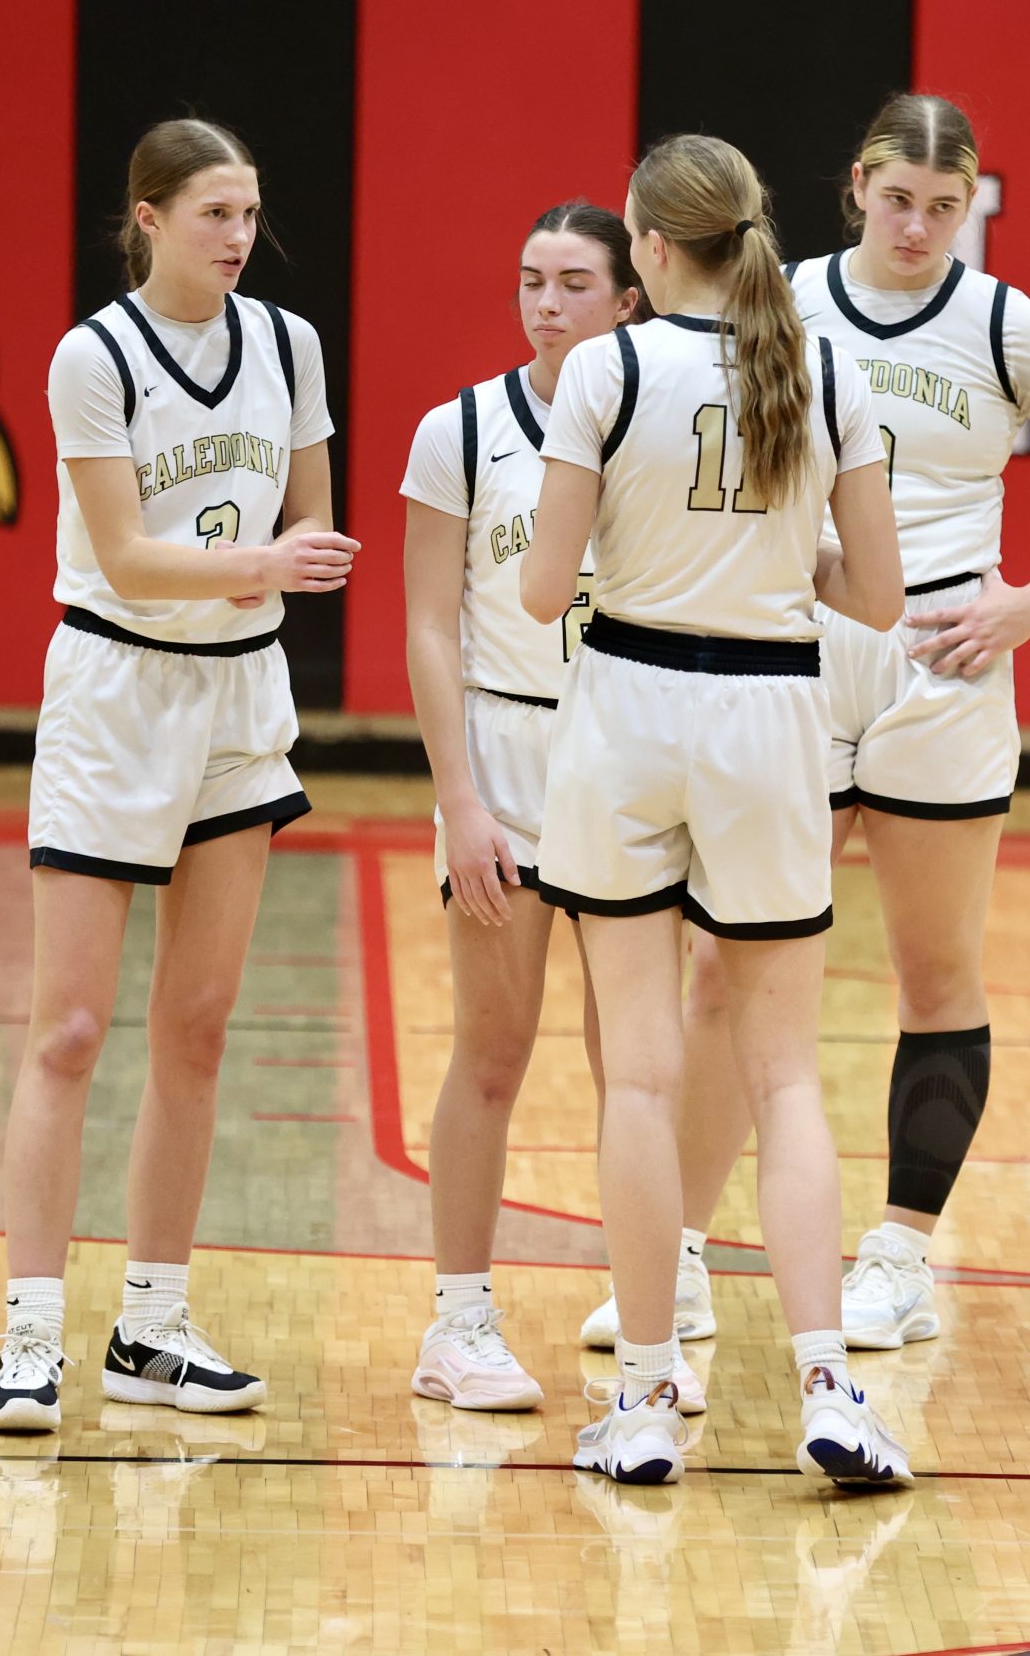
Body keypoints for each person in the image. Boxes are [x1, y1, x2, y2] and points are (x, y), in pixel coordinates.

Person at [582, 92, 1030, 1356]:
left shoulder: (1008, 323)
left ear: (975, 205)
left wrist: (1026, 607)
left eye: (946, 206)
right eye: (899, 198)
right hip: (788, 655)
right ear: (856, 185)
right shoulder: (777, 300)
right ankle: (678, 1255)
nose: (918, 225)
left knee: (933, 970)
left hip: (940, 663)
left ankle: (900, 1255)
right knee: (716, 971)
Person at [522, 134, 910, 1487]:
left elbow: (539, 585)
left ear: (644, 245)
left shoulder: (601, 370)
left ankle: (641, 1399)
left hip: (629, 702)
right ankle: (827, 1383)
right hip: (768, 714)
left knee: (638, 1071)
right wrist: (768, 552)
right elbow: (876, 596)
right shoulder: (822, 364)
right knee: (786, 1073)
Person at [0, 118, 356, 1431]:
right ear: (147, 217)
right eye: (213, 213)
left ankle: (152, 1324)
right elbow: (128, 555)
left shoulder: (292, 346)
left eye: (251, 212)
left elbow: (310, 510)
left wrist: (296, 551)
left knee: (196, 1024)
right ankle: (29, 1335)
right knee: (69, 1028)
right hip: (116, 687)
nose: (240, 235)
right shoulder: (93, 356)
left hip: (240, 694)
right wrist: (271, 563)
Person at [397, 201, 650, 1412]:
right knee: (491, 1054)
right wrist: (460, 798)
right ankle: (458, 1323)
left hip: (628, 749)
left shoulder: (652, 421)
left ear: (627, 300)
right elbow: (426, 627)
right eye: (529, 280)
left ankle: (654, 1324)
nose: (545, 304)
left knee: (636, 1064)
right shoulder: (457, 430)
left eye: (572, 284)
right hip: (501, 750)